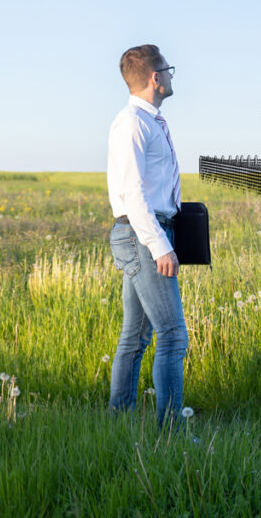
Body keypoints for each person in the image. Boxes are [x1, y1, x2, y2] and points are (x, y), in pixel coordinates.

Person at [106, 44, 186, 424]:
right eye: (168, 70)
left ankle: (119, 421)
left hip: (145, 230)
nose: (171, 76)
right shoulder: (133, 123)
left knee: (135, 337)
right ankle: (172, 431)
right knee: (172, 335)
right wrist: (159, 246)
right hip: (142, 232)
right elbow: (133, 193)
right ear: (156, 78)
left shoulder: (147, 121)